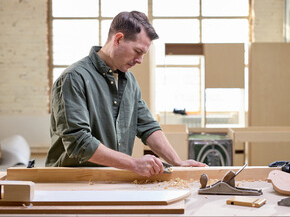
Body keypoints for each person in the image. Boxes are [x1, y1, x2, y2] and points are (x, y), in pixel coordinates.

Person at [45, 11, 206, 176]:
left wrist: (177, 162)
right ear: (118, 39)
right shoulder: (74, 78)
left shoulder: (129, 82)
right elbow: (79, 142)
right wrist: (134, 164)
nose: (140, 60)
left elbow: (148, 126)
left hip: (112, 180)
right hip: (71, 184)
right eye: (137, 51)